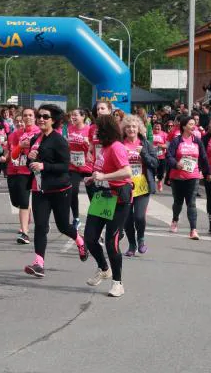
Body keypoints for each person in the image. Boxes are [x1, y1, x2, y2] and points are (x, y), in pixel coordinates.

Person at [23, 104, 88, 278]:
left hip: (60, 189)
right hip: (40, 190)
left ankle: (80, 240)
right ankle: (39, 263)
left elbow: (65, 166)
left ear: (53, 120)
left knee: (63, 226)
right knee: (40, 227)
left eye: (45, 117)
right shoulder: (35, 139)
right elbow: (30, 166)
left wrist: (44, 165)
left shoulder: (59, 140)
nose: (41, 119)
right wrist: (29, 160)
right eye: (40, 116)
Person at [83, 114, 133, 298]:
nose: (96, 133)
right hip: (102, 196)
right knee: (89, 238)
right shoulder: (103, 148)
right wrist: (93, 178)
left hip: (119, 200)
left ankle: (118, 283)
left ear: (107, 131)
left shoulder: (117, 147)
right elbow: (102, 170)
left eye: (99, 130)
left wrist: (104, 177)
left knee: (112, 243)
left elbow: (127, 171)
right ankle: (104, 268)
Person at [166, 116, 210, 239]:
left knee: (191, 203)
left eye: (194, 124)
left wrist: (208, 172)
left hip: (193, 176)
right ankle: (175, 219)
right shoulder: (177, 141)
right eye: (191, 124)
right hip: (177, 177)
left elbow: (203, 157)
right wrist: (176, 164)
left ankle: (193, 230)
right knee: (178, 202)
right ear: (184, 126)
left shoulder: (197, 141)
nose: (193, 126)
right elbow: (168, 156)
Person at [121, 115, 158, 256]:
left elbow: (155, 163)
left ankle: (141, 239)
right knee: (127, 218)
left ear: (139, 129)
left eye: (134, 126)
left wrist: (143, 153)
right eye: (128, 127)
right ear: (124, 129)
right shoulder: (120, 144)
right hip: (125, 185)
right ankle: (132, 244)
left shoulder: (146, 144)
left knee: (139, 217)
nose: (131, 129)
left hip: (142, 185)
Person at [5, 108, 40, 244]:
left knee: (26, 201)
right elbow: (13, 154)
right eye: (25, 115)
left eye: (30, 115)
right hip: (18, 169)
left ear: (35, 117)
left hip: (34, 170)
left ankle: (24, 233)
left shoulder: (39, 132)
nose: (28, 118)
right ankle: (27, 218)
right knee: (17, 201)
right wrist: (20, 146)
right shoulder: (16, 134)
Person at [66, 108, 92, 231]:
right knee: (72, 191)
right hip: (73, 166)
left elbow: (94, 147)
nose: (73, 117)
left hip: (87, 166)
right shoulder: (70, 128)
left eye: (76, 115)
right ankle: (76, 218)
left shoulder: (89, 129)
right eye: (72, 115)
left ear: (83, 116)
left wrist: (88, 144)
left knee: (92, 194)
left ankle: (95, 219)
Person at [151, 121, 167, 192]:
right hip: (152, 157)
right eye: (155, 128)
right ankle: (152, 186)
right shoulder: (150, 134)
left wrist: (160, 145)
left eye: (158, 128)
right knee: (152, 172)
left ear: (161, 128)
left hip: (161, 157)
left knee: (161, 172)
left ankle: (159, 182)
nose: (157, 129)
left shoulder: (164, 134)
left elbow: (167, 145)